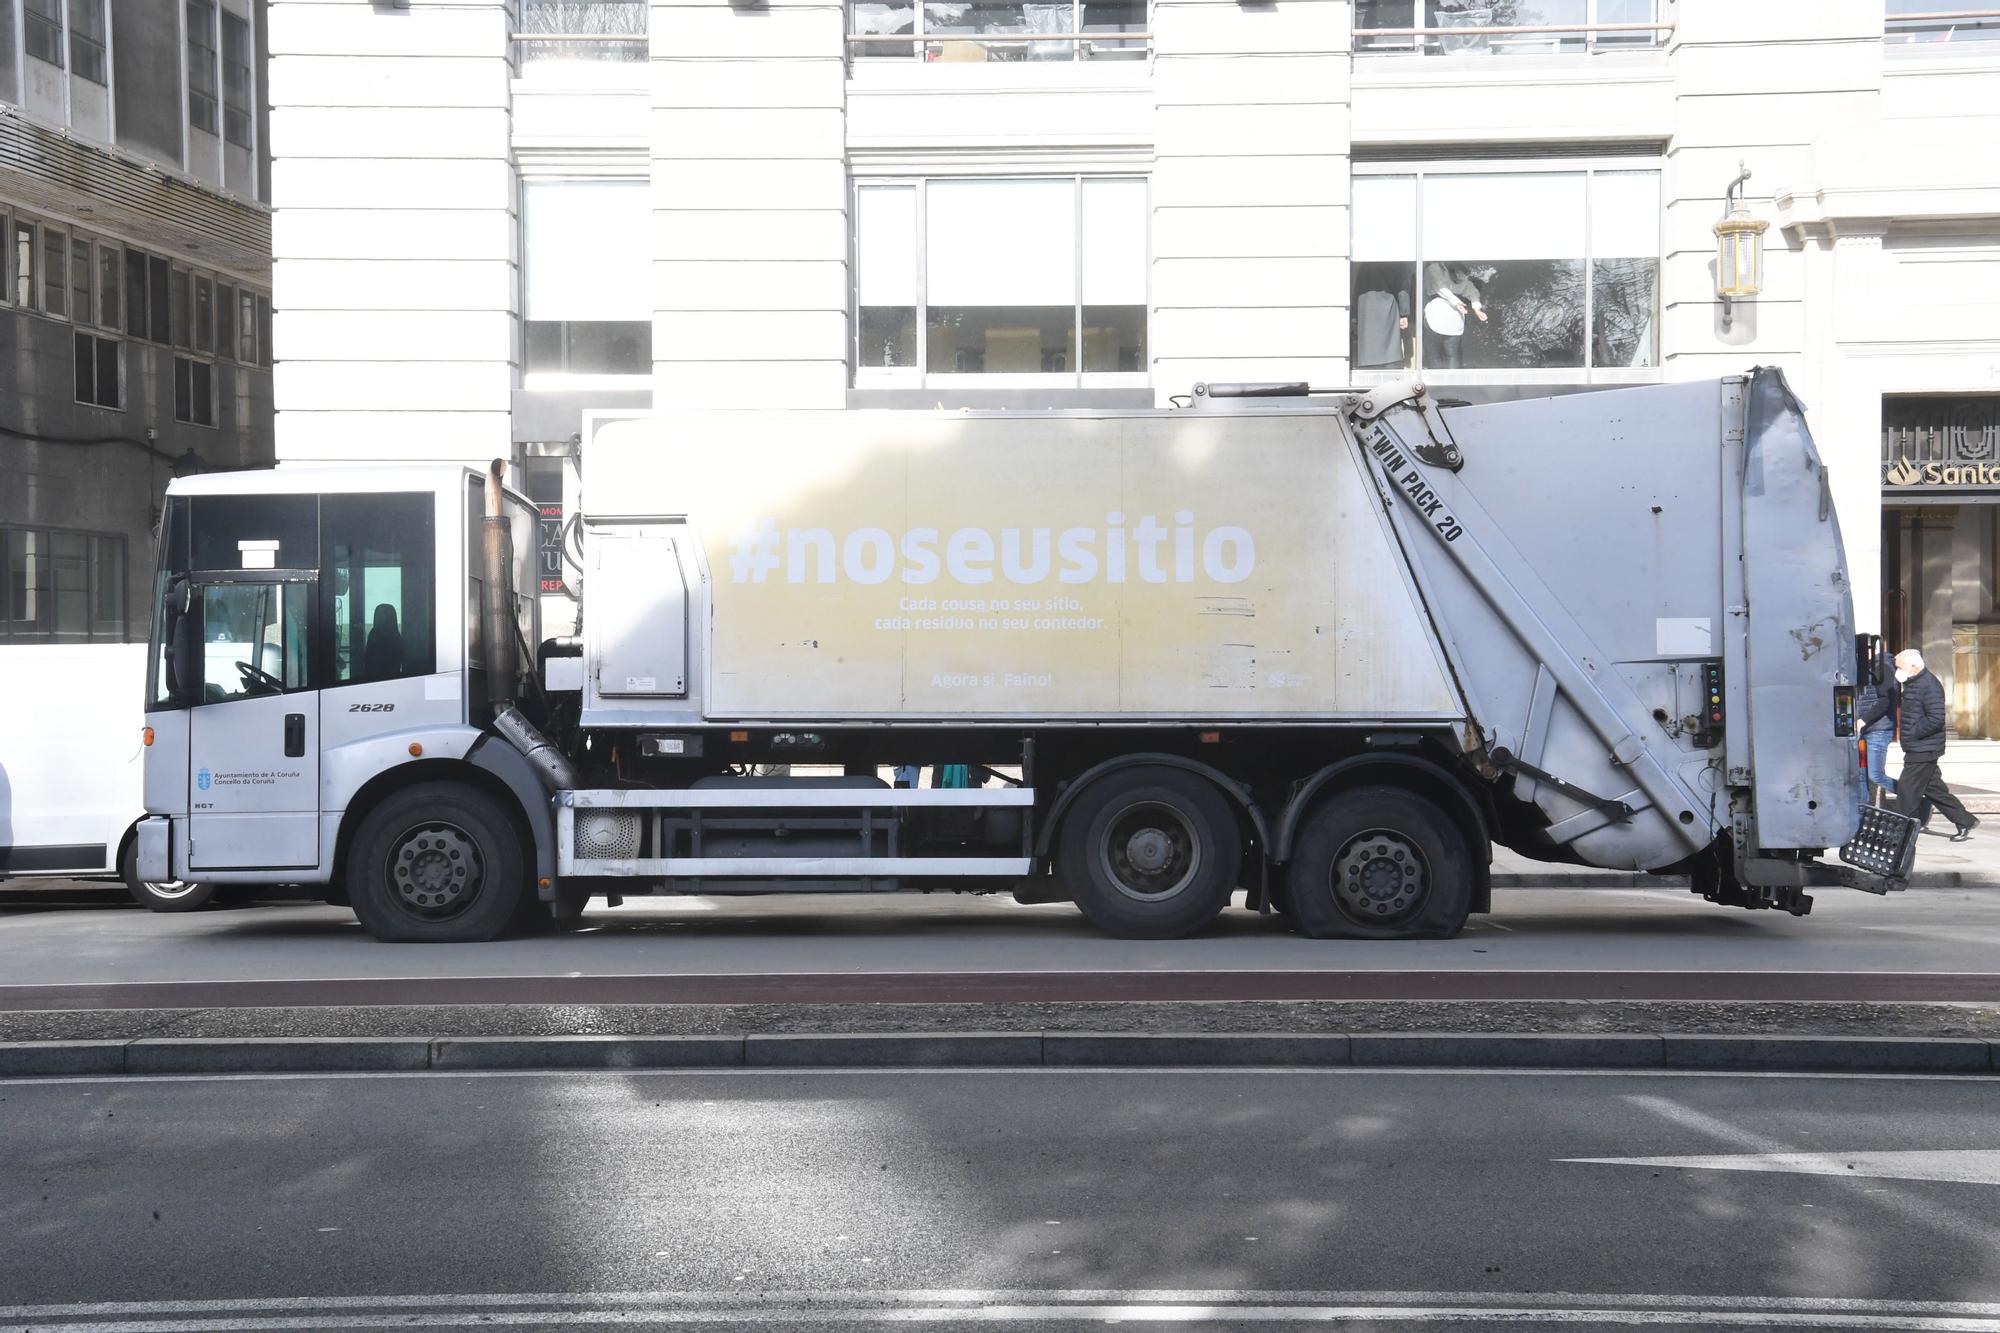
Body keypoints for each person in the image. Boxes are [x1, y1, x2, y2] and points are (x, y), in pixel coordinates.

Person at [1894, 648, 1977, 841]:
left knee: (1907, 791)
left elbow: (1936, 718)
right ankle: (1965, 821)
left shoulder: (1929, 685)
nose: (1897, 671)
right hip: (1919, 747)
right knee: (1934, 790)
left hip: (1924, 748)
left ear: (1914, 666)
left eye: (1900, 667)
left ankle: (1900, 834)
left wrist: (1913, 733)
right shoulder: (1913, 683)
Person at [1856, 645, 1898, 809]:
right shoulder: (1862, 670)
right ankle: (1863, 811)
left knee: (1875, 775)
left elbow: (1885, 701)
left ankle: (1913, 797)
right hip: (1864, 731)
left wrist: (1863, 720)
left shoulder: (1883, 668)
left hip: (1878, 731)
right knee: (1861, 774)